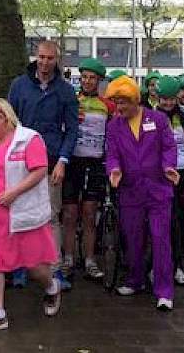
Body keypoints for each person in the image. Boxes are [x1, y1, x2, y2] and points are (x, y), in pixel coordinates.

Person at [0, 99, 61, 335]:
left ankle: (51, 287)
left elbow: (40, 170)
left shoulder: (29, 139)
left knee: (35, 266)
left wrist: (14, 192)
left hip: (21, 211)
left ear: (4, 118)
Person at [8, 40, 79, 291]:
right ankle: (18, 267)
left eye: (50, 58)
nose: (45, 63)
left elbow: (72, 130)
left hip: (51, 163)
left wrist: (63, 160)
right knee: (18, 214)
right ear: (34, 57)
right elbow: (9, 123)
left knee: (51, 217)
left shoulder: (66, 91)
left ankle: (55, 270)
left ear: (57, 60)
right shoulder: (19, 86)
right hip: (20, 162)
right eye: (41, 57)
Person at [104, 75, 178, 311]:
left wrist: (169, 167)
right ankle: (135, 280)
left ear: (136, 100)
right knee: (133, 238)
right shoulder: (114, 125)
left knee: (160, 238)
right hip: (130, 190)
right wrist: (114, 170)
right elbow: (112, 153)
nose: (120, 107)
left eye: (124, 102)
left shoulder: (158, 119)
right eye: (117, 102)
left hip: (158, 189)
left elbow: (169, 146)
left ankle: (164, 290)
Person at [61, 58, 114, 281]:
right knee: (70, 213)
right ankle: (69, 258)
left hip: (95, 163)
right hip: (73, 161)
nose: (88, 81)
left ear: (99, 80)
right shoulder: (71, 100)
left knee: (90, 213)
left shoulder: (107, 105)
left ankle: (90, 260)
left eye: (92, 78)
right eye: (84, 77)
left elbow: (112, 135)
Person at [154, 76, 184, 285]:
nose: (168, 104)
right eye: (164, 99)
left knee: (180, 222)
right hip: (160, 175)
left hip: (183, 172)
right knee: (163, 223)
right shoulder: (151, 116)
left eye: (172, 99)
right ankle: (158, 266)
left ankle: (178, 266)